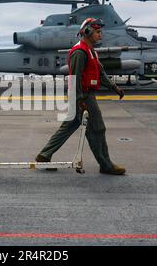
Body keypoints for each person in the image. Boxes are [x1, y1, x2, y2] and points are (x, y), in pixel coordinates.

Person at [35, 18, 126, 175]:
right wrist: (80, 100)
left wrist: (114, 87)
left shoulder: (91, 51)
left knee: (69, 126)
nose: (100, 35)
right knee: (97, 129)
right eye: (97, 32)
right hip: (83, 95)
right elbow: (74, 78)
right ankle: (105, 165)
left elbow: (100, 73)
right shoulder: (80, 52)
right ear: (87, 32)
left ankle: (44, 155)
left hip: (83, 95)